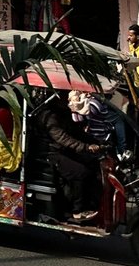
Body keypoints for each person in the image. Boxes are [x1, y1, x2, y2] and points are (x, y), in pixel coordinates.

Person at [33, 92, 104, 221]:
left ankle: (92, 204)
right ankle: (77, 211)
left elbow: (75, 131)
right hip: (51, 153)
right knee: (80, 172)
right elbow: (63, 138)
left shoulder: (62, 112)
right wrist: (86, 147)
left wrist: (95, 141)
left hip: (63, 151)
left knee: (94, 164)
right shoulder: (48, 116)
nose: (66, 99)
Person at [68, 89, 128, 154]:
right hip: (98, 135)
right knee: (119, 120)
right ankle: (122, 149)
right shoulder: (94, 104)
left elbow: (78, 119)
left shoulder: (94, 105)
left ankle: (121, 150)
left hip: (96, 137)